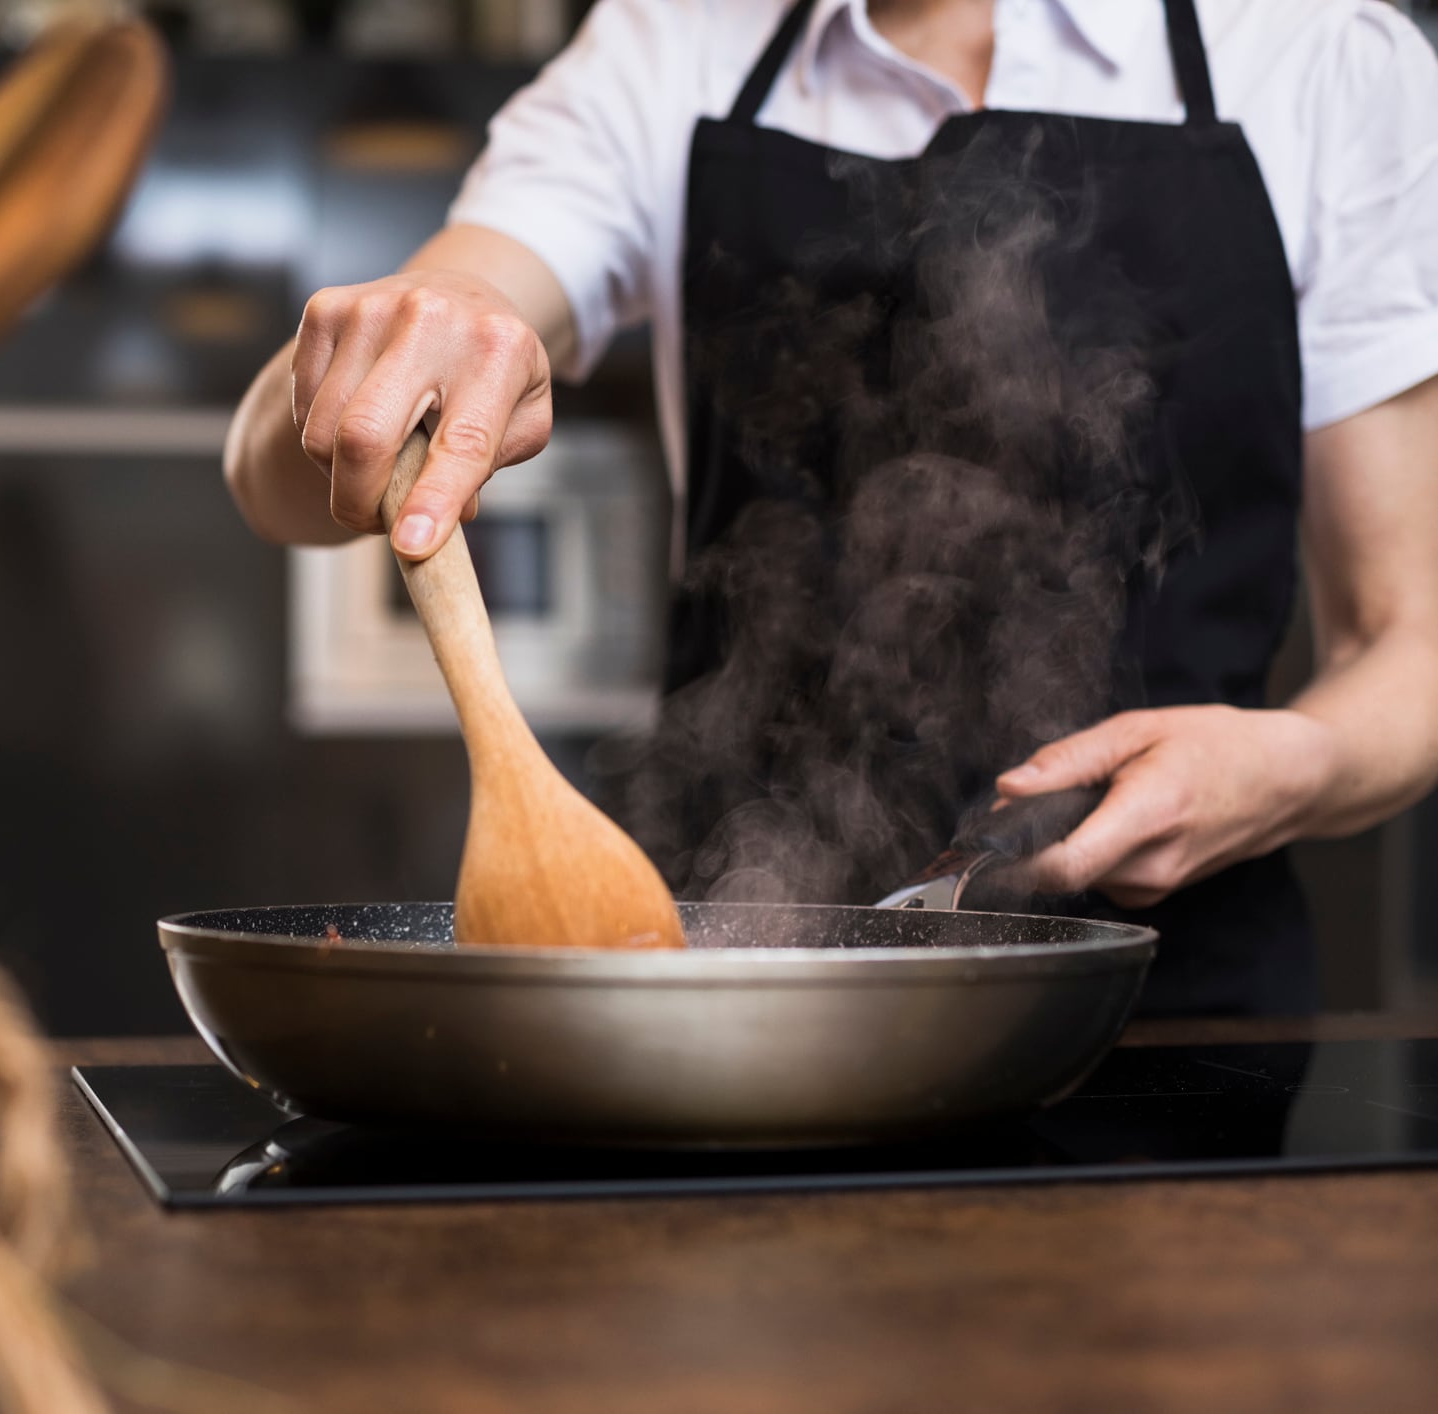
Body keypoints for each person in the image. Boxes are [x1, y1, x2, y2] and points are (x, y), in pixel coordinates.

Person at [223, 0, 1438, 1015]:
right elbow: (277, 471)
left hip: (1171, 1024)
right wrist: (407, 340)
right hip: (730, 1010)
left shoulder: (1325, 60)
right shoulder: (669, 42)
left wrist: (1295, 760)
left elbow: (1410, 641)